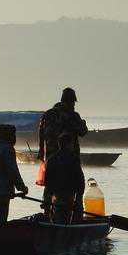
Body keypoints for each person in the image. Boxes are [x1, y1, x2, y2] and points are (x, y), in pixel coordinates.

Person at [38, 87, 88, 215]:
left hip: (51, 157)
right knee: (75, 183)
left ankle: (46, 211)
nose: (73, 106)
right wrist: (83, 123)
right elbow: (83, 132)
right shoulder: (72, 115)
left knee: (49, 184)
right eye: (73, 103)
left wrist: (41, 150)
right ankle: (76, 210)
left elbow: (41, 132)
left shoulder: (48, 114)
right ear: (70, 101)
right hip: (69, 156)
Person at [0, 124, 29, 222]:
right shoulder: (7, 148)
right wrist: (22, 188)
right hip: (1, 193)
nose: (15, 138)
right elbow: (13, 171)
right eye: (13, 135)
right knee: (0, 222)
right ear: (7, 135)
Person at [44, 133, 85, 224]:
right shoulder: (73, 159)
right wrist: (79, 196)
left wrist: (47, 198)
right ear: (69, 144)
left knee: (57, 215)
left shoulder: (51, 159)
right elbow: (80, 179)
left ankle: (56, 227)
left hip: (56, 194)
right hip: (69, 193)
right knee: (69, 216)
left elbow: (47, 181)